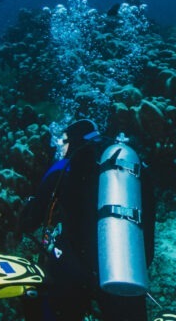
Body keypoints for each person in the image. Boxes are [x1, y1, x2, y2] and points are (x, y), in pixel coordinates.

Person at [20, 119, 156, 321]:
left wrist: (30, 203)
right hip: (122, 267)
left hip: (73, 269)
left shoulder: (63, 168)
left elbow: (28, 222)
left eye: (63, 143)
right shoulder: (133, 168)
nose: (61, 149)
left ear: (71, 140)